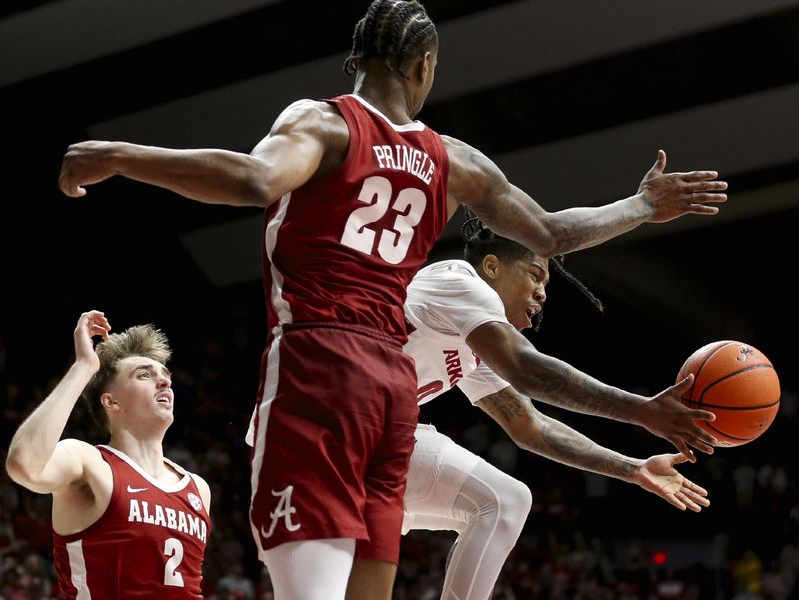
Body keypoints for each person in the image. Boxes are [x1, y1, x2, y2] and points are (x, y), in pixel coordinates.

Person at [56, 2, 727, 598]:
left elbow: (254, 179)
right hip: (391, 394)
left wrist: (120, 154)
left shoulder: (325, 125)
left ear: (356, 61)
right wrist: (639, 205)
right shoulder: (454, 161)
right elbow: (551, 234)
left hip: (320, 368)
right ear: (425, 64)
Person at [397, 214, 713, 599]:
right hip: (331, 424)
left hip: (367, 437)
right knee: (502, 502)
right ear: (493, 266)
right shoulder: (459, 283)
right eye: (534, 275)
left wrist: (633, 469)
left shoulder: (478, 344)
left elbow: (531, 427)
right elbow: (529, 371)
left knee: (502, 502)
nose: (543, 293)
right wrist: (641, 410)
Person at [5, 311, 212, 599]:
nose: (164, 382)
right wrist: (83, 367)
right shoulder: (89, 463)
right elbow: (23, 464)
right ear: (111, 401)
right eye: (144, 375)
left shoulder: (197, 488)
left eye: (165, 377)